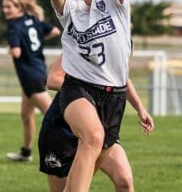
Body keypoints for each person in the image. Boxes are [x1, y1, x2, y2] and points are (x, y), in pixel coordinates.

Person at [32, 0, 140, 191]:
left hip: (114, 96)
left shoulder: (113, 2)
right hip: (78, 90)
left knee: (88, 172)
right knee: (92, 136)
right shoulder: (71, 9)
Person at [38, 54, 154, 192]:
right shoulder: (81, 40)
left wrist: (140, 108)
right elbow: (53, 79)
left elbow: (120, 78)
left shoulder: (121, 41)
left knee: (124, 181)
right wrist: (88, 90)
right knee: (67, 189)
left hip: (99, 128)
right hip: (62, 129)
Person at [2, 0, 61, 162]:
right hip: (38, 71)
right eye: (4, 7)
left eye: (9, 7)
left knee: (53, 117)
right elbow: (56, 31)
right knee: (26, 115)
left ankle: (71, 150)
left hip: (30, 76)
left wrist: (10, 49)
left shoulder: (14, 25)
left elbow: (16, 52)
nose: (5, 10)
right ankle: (26, 152)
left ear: (19, 7)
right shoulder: (33, 20)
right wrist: (38, 40)